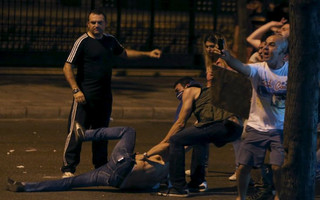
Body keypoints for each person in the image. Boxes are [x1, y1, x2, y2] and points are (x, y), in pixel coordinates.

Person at [61, 8, 161, 178]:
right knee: (76, 132)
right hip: (84, 97)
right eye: (93, 22)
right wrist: (76, 90)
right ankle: (69, 168)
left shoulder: (110, 40)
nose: (96, 25)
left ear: (105, 24)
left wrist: (147, 54)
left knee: (102, 134)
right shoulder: (82, 42)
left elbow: (125, 53)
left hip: (104, 97)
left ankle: (100, 167)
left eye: (100, 22)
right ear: (88, 24)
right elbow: (67, 66)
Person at [7, 122, 170, 192]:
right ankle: (24, 186)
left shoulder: (162, 161)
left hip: (122, 165)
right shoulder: (160, 180)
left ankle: (84, 134)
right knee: (69, 183)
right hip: (114, 181)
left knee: (128, 131)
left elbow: (167, 144)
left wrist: (145, 155)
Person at [221, 34, 289, 200]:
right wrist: (228, 57)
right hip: (257, 126)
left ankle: (279, 195)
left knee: (277, 167)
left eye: (272, 45)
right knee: (243, 166)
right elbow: (242, 68)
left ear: (283, 54)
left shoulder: (291, 71)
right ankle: (241, 197)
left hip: (280, 128)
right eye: (264, 44)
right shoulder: (259, 68)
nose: (265, 48)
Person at [156, 76, 243, 197]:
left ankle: (178, 187)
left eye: (177, 90)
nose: (177, 95)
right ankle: (196, 183)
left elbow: (180, 123)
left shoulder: (190, 90)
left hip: (223, 124)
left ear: (186, 85)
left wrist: (165, 142)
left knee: (175, 140)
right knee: (199, 139)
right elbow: (193, 134)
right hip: (236, 128)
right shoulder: (206, 100)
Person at [203, 32, 241, 181]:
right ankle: (201, 167)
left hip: (228, 103)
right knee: (202, 133)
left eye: (212, 46)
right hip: (214, 103)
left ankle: (240, 169)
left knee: (236, 137)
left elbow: (235, 79)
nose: (209, 49)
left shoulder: (225, 61)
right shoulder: (209, 62)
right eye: (207, 46)